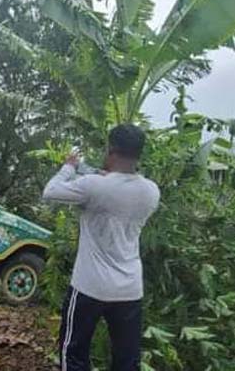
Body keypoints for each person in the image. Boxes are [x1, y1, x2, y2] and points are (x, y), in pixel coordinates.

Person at [42, 124, 160, 371]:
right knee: (127, 361)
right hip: (129, 289)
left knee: (73, 353)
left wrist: (69, 167)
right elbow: (122, 192)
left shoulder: (93, 184)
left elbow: (50, 192)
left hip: (89, 285)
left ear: (111, 149)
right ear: (138, 153)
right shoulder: (151, 191)